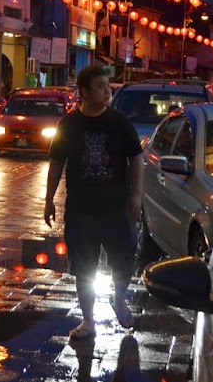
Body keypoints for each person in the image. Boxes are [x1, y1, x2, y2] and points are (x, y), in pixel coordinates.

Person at [45, 63, 143, 341]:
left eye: (107, 86)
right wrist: (48, 199)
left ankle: (119, 298)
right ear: (84, 92)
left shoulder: (119, 122)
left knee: (124, 260)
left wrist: (136, 195)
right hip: (81, 210)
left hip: (116, 208)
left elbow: (136, 158)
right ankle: (88, 321)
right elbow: (56, 163)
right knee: (83, 268)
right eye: (100, 86)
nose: (107, 91)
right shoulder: (68, 124)